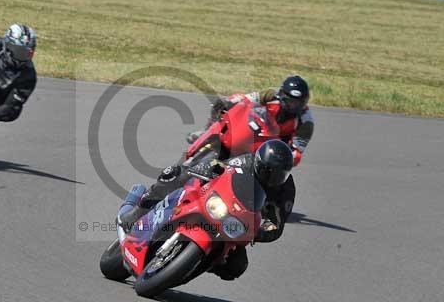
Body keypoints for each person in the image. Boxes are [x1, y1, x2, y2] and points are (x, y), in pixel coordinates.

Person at [120, 140, 295, 281]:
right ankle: (138, 211)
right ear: (258, 161)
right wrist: (208, 168)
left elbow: (276, 225)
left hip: (236, 224)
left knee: (237, 266)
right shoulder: (246, 161)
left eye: (278, 175)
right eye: (266, 170)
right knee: (174, 175)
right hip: (220, 205)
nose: (271, 177)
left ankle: (194, 264)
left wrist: (257, 233)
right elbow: (221, 166)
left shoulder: (285, 191)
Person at [187, 75, 314, 166]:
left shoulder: (306, 122)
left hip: (273, 146)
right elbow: (247, 98)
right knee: (226, 102)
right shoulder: (270, 94)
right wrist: (229, 103)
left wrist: (283, 157)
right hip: (257, 127)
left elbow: (297, 153)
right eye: (289, 101)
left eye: (297, 103)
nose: (292, 107)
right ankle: (207, 130)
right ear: (281, 96)